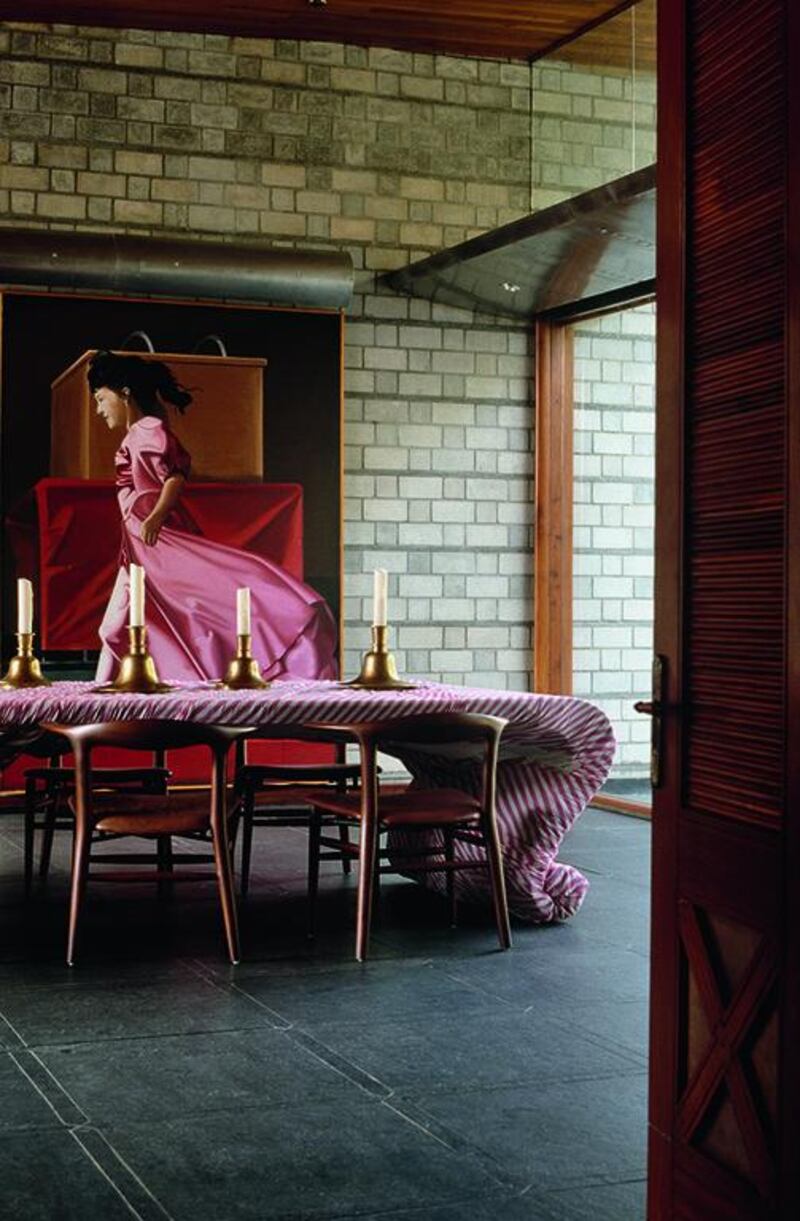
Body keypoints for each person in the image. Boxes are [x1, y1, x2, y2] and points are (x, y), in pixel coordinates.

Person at [88, 349, 337, 683]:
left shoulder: (146, 431)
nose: (98, 410)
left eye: (101, 399)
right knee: (152, 619)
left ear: (124, 393)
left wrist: (156, 516)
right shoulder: (141, 432)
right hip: (140, 544)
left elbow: (174, 476)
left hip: (155, 542)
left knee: (181, 610)